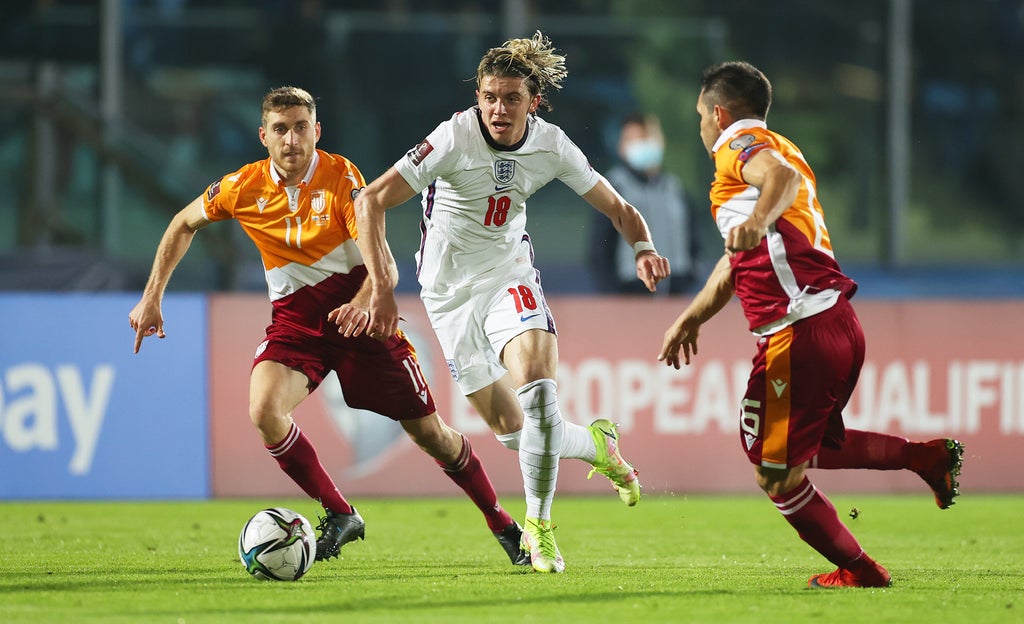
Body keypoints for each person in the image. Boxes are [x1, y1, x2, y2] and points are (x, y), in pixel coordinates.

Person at [128, 86, 529, 567]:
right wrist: (152, 297)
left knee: (432, 435)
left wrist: (363, 303)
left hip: (362, 326)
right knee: (264, 410)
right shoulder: (241, 187)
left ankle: (502, 522)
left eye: (301, 128)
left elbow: (383, 264)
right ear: (263, 136)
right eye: (280, 129)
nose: (291, 139)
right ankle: (341, 513)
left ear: (316, 131)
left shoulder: (343, 179)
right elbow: (182, 222)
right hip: (297, 325)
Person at [350, 31, 671, 574]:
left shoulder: (552, 146)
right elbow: (371, 200)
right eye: (490, 97)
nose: (498, 109)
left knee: (539, 395)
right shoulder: (452, 138)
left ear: (533, 102)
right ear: (477, 97)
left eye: (511, 99)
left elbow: (620, 208)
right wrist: (381, 288)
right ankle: (597, 445)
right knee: (513, 433)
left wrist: (643, 248)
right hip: (447, 296)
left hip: (508, 276)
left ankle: (538, 529)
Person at [657, 61, 965, 588]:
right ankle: (925, 458)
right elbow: (735, 262)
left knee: (774, 471)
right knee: (801, 445)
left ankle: (862, 572)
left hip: (798, 331)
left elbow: (781, 180)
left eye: (700, 116)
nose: (702, 127)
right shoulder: (780, 148)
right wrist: (691, 318)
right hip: (836, 323)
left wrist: (757, 221)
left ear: (718, 113)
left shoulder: (739, 145)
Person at [590, 112, 698, 295]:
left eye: (645, 138)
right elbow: (600, 248)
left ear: (660, 142)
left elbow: (693, 238)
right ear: (621, 147)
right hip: (631, 292)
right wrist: (612, 294)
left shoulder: (674, 188)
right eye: (631, 139)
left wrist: (691, 275)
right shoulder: (613, 188)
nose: (640, 144)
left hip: (676, 291)